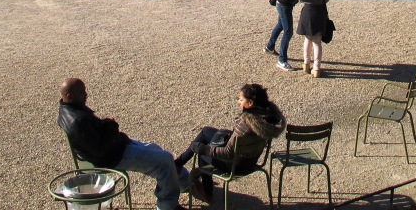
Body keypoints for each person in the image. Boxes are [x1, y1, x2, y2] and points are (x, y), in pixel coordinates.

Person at [58, 78, 189, 210]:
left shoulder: (68, 108)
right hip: (113, 157)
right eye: (82, 92)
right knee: (164, 161)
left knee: (157, 150)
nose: (86, 94)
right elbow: (101, 150)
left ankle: (187, 183)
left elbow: (95, 136)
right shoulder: (77, 121)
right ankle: (168, 206)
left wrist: (107, 126)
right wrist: (112, 126)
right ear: (69, 96)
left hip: (117, 147)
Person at [173, 83, 286, 202]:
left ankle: (207, 192)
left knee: (202, 152)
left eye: (241, 100)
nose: (238, 102)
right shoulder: (268, 119)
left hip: (235, 166)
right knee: (206, 132)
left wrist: (203, 149)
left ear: (250, 103)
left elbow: (227, 153)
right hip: (250, 161)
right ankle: (179, 163)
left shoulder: (245, 124)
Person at [297, 0, 333, 77]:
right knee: (317, 42)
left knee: (308, 39)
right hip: (320, 10)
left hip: (308, 10)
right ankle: (317, 67)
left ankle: (306, 63)